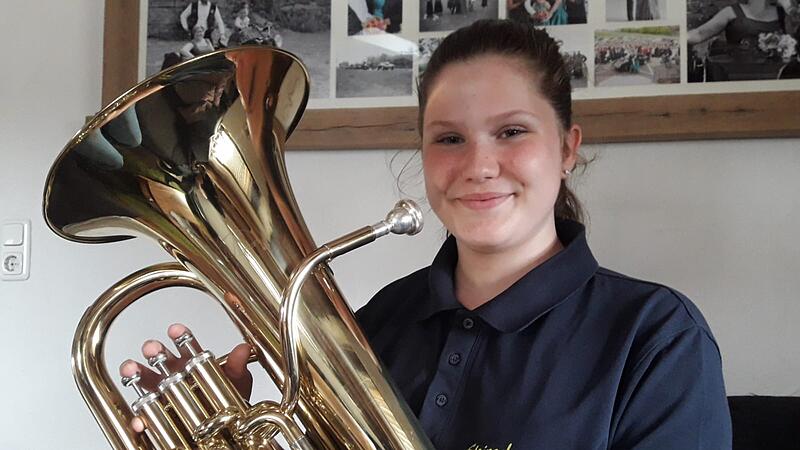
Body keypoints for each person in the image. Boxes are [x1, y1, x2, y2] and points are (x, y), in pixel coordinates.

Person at [122, 19, 733, 449]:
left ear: (568, 148)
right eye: (448, 138)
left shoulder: (656, 336)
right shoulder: (373, 325)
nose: (478, 165)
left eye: (513, 131)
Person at [688, 0, 798, 47]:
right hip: (738, 74)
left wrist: (788, 5)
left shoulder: (783, 12)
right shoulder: (730, 11)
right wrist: (673, 37)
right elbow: (699, 34)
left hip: (775, 76)